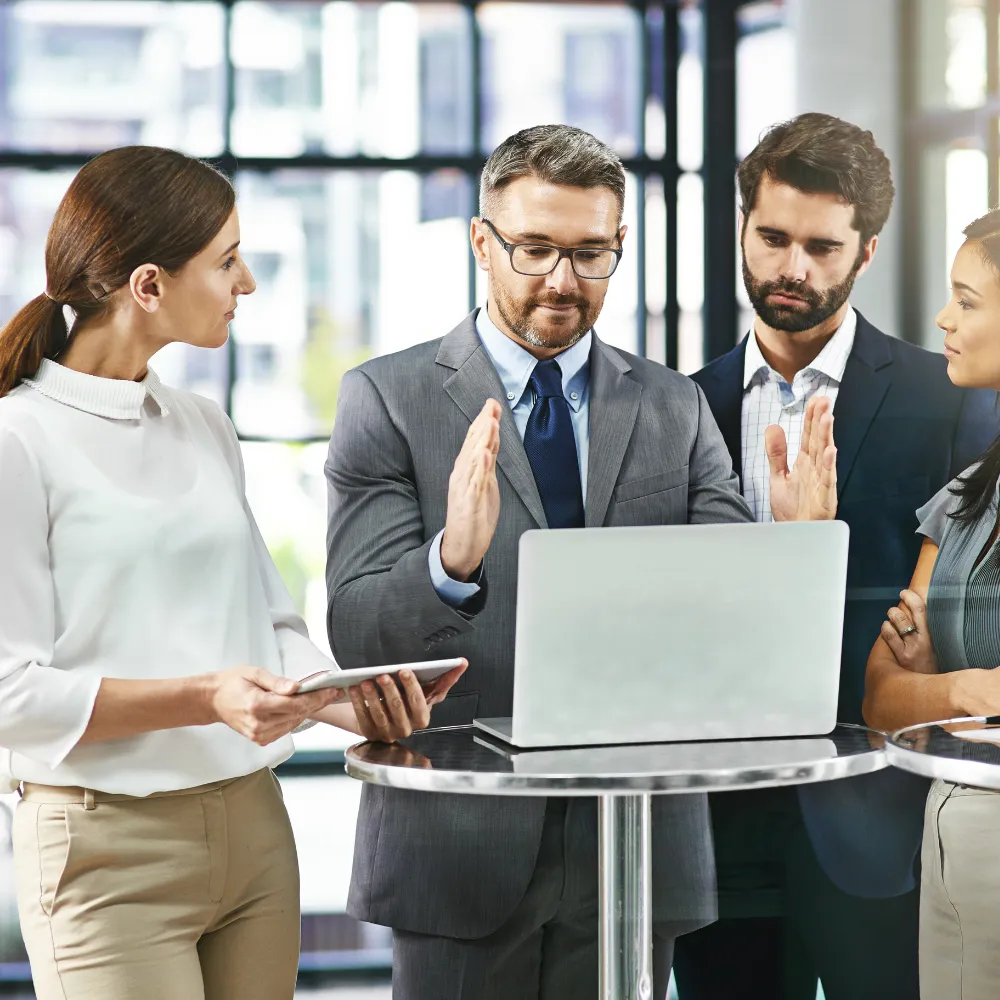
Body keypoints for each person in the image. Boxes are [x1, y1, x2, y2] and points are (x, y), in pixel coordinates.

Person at [324, 123, 838, 1000]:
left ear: (621, 246)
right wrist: (452, 557)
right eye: (533, 250)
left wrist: (791, 547)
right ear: (482, 244)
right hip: (465, 843)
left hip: (637, 843)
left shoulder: (672, 406)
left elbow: (734, 626)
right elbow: (358, 629)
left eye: (590, 253)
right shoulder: (388, 399)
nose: (562, 281)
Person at [0, 145, 464, 1000]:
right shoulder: (18, 442)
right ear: (148, 285)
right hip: (107, 854)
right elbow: (12, 698)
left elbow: (270, 625)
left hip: (253, 832)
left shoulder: (202, 423)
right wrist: (206, 697)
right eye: (226, 261)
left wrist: (337, 702)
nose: (246, 282)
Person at [674, 113, 1000, 1000]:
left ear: (866, 252)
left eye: (823, 246)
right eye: (773, 237)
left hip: (885, 823)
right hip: (718, 825)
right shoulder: (674, 409)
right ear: (740, 228)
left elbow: (952, 615)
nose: (793, 268)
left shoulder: (954, 403)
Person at [864, 208, 1000, 1000]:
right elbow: (882, 697)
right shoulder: (963, 497)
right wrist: (967, 690)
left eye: (968, 300)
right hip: (949, 824)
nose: (944, 319)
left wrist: (935, 684)